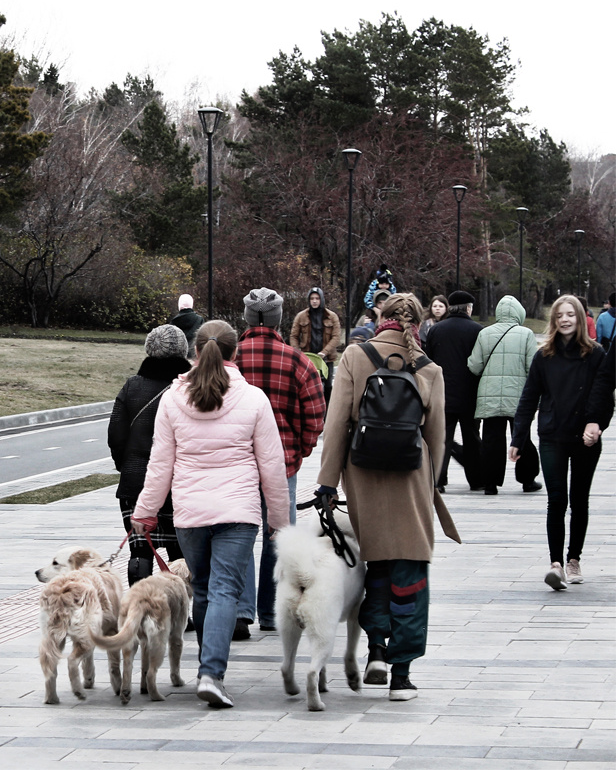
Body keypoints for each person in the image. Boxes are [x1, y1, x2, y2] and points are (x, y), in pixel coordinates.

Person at [130, 320, 288, 709]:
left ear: (195, 352)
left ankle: (207, 668)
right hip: (239, 511)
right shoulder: (254, 399)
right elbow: (272, 466)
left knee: (202, 588)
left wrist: (145, 511)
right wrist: (280, 520)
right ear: (236, 351)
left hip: (190, 512)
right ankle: (211, 674)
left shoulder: (173, 398)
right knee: (224, 590)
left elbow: (160, 464)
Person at [316, 293, 461, 702]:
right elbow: (437, 437)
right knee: (410, 570)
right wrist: (430, 484)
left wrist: (327, 483)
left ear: (381, 317)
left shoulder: (355, 356)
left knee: (377, 561)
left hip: (363, 475)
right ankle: (401, 674)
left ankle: (376, 649)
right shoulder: (429, 368)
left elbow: (336, 424)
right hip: (411, 476)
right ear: (417, 322)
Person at [236, 287, 326, 639]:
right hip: (283, 463)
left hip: (237, 464)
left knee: (239, 536)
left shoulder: (230, 359)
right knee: (278, 537)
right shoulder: (298, 362)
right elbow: (315, 416)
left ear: (246, 318)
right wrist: (300, 451)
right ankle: (272, 611)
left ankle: (240, 611)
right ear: (278, 319)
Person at [511, 295, 606, 589]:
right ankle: (555, 563)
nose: (565, 319)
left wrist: (597, 423)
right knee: (556, 499)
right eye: (559, 315)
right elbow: (529, 397)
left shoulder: (596, 354)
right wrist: (518, 437)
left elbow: (603, 394)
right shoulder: (544, 356)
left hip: (584, 437)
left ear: (580, 318)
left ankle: (573, 559)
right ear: (553, 321)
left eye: (570, 314)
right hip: (553, 435)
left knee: (579, 499)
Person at [107, 324, 190, 587]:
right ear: (183, 350)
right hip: (179, 481)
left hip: (136, 482)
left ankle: (138, 602)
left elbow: (116, 435)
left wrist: (126, 466)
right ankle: (178, 605)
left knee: (140, 549)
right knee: (180, 553)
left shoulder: (133, 386)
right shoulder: (190, 387)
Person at [467, 295, 542, 495]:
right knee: (522, 437)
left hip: (490, 395)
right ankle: (527, 480)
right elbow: (533, 368)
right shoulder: (526, 334)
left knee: (491, 441)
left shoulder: (485, 333)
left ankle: (490, 484)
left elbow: (475, 366)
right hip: (518, 396)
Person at [424, 290, 484, 492]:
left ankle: (438, 479)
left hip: (443, 393)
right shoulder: (477, 330)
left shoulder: (436, 329)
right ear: (468, 308)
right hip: (470, 394)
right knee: (472, 438)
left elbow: (429, 360)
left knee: (442, 437)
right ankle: (476, 479)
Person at [289, 286, 342, 401]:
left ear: (321, 299)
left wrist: (324, 352)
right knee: (306, 385)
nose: (314, 301)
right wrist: (298, 352)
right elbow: (294, 336)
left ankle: (328, 407)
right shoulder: (301, 316)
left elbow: (336, 337)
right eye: (312, 298)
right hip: (308, 357)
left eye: (317, 298)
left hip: (327, 358)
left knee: (328, 385)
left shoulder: (332, 316)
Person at [169, 294, 204, 359]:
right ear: (191, 305)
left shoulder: (173, 322)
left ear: (179, 305)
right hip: (195, 357)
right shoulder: (199, 320)